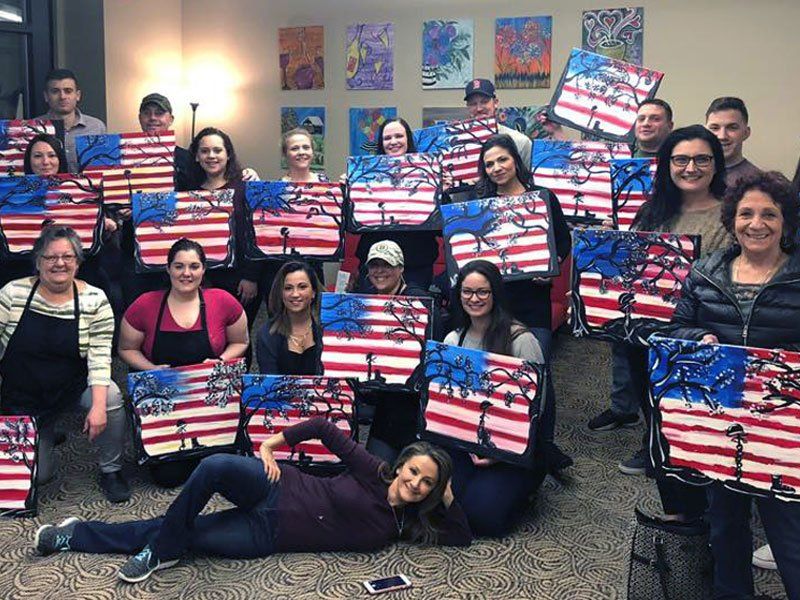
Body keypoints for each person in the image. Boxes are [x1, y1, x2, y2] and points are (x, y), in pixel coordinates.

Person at [33, 417, 471, 584]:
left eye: (427, 483)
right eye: (414, 472)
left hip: (267, 535)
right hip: (277, 485)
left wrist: (446, 490)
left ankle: (74, 536)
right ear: (401, 466)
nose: (416, 483)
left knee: (182, 531)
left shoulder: (407, 524)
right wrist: (270, 446)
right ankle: (162, 551)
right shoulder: (373, 469)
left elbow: (461, 537)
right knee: (214, 466)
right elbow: (322, 427)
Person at [665, 171, 800, 599]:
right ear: (732, 220)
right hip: (720, 418)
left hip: (783, 422)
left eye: (769, 214)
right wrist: (699, 338)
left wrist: (781, 360)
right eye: (746, 214)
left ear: (786, 221)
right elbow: (677, 327)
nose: (756, 224)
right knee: (724, 522)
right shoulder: (706, 272)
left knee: (789, 530)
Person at [614, 126, 731, 526]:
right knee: (661, 424)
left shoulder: (732, 213)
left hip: (704, 339)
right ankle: (681, 515)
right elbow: (630, 267)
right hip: (647, 337)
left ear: (716, 164)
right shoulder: (651, 212)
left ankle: (719, 517)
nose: (690, 167)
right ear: (666, 165)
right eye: (680, 159)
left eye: (701, 159)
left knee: (703, 427)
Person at [0, 226, 129, 502]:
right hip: (22, 395)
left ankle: (111, 470)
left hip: (71, 388)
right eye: (50, 257)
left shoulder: (95, 299)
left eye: (68, 257)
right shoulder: (13, 293)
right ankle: (44, 432)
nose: (59, 263)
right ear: (38, 262)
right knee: (40, 476)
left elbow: (100, 358)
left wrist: (97, 408)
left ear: (78, 262)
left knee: (111, 397)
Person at [474, 133, 573, 474]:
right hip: (494, 303)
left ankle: (544, 445)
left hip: (532, 300)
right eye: (489, 164)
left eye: (502, 159)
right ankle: (501, 439)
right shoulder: (481, 205)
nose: (496, 168)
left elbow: (563, 241)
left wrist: (551, 267)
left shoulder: (542, 198)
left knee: (538, 372)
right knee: (497, 373)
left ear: (516, 160)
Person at [118, 238, 249, 486]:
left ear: (204, 270)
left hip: (209, 404)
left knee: (221, 467)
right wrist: (151, 370)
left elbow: (241, 341)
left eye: (194, 266)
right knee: (168, 477)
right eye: (179, 266)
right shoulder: (145, 304)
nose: (186, 273)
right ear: (168, 269)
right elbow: (126, 348)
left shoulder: (222, 300)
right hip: (167, 408)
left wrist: (219, 362)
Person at [588, 98, 674, 433]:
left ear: (669, 125)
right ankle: (623, 408)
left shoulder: (678, 164)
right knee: (621, 335)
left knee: (662, 345)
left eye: (655, 118)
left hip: (665, 263)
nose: (647, 124)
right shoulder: (617, 161)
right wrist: (606, 223)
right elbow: (601, 205)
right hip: (624, 257)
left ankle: (661, 424)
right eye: (642, 118)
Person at [444, 260, 546, 537]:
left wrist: (499, 453)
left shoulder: (522, 340)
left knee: (482, 517)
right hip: (465, 443)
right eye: (467, 292)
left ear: (495, 294)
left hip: (511, 448)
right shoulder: (454, 339)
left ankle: (528, 488)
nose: (474, 299)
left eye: (482, 292)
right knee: (444, 501)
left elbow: (537, 408)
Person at [355, 240, 431, 463]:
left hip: (413, 408)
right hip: (383, 407)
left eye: (387, 265)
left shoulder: (418, 301)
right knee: (373, 472)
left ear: (401, 269)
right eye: (374, 265)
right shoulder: (364, 299)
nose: (379, 271)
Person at [188, 127, 265, 327]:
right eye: (204, 151)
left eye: (217, 150)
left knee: (238, 334)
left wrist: (251, 277)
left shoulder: (246, 188)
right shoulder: (188, 191)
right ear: (196, 156)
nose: (211, 156)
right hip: (201, 278)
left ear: (228, 154)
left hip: (239, 279)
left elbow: (258, 233)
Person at [353, 118, 440, 291]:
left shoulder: (428, 173)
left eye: (399, 136)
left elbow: (439, 226)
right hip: (375, 263)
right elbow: (354, 223)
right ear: (381, 143)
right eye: (387, 138)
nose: (393, 142)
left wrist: (441, 191)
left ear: (408, 139)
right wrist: (350, 190)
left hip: (416, 263)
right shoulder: (366, 175)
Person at [256, 261, 323, 375]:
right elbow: (268, 380)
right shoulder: (267, 334)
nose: (295, 294)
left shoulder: (327, 331)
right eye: (288, 288)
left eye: (302, 287)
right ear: (281, 293)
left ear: (313, 292)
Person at [36, 68, 106, 173]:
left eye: (68, 91)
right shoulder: (33, 128)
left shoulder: (97, 127)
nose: (62, 96)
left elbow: (103, 166)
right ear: (46, 96)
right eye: (55, 91)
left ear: (77, 95)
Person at [464, 79, 532, 168]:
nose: (479, 109)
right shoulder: (457, 145)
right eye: (473, 104)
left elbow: (529, 176)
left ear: (495, 103)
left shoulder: (520, 141)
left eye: (484, 102)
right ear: (468, 107)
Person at [705, 97, 760, 187]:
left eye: (732, 128)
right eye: (715, 128)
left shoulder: (758, 183)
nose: (722, 136)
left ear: (746, 133)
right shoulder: (690, 175)